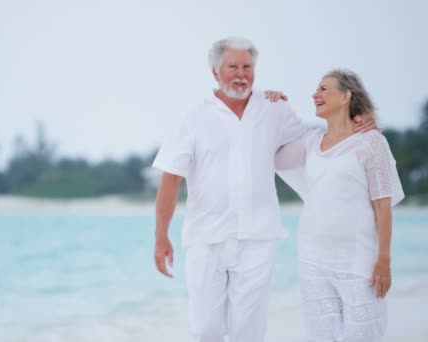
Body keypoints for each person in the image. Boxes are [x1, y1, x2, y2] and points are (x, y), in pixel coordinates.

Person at [152, 37, 375, 342]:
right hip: (206, 237)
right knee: (206, 329)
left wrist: (357, 120)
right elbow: (171, 177)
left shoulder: (274, 108)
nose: (241, 73)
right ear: (216, 72)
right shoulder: (193, 117)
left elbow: (314, 142)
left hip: (258, 237)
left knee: (249, 331)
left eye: (247, 66)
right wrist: (160, 236)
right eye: (233, 66)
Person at [275, 69, 404, 341]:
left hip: (358, 260)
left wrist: (384, 259)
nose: (315, 94)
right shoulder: (310, 142)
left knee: (365, 334)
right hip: (312, 258)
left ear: (346, 96)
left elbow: (383, 205)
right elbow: (271, 156)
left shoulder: (371, 142)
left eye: (324, 89)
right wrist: (274, 107)